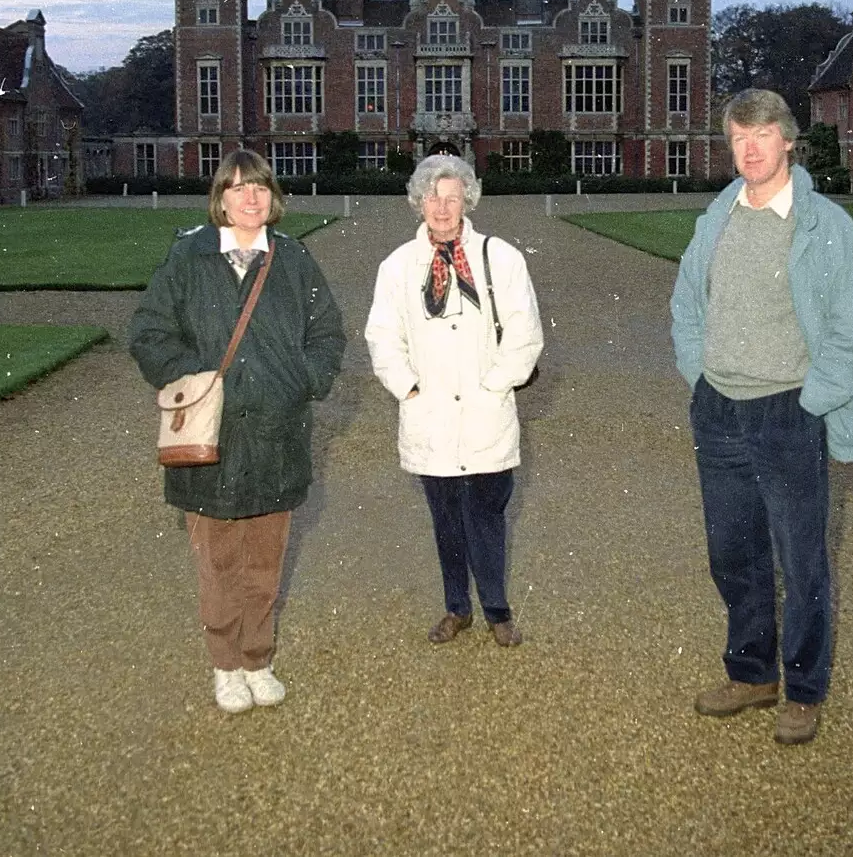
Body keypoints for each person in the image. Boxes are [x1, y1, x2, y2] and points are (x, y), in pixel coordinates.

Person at [670, 89, 853, 745]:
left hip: (787, 411)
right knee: (732, 554)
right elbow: (686, 301)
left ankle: (802, 688)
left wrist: (810, 396)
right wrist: (700, 374)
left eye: (762, 134)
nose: (749, 147)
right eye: (738, 135)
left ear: (788, 141)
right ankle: (751, 674)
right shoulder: (717, 217)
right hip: (719, 410)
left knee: (801, 561)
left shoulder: (826, 228)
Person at [129, 150, 345, 714]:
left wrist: (303, 380)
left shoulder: (295, 260)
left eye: (260, 188)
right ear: (220, 197)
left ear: (274, 199)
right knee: (218, 560)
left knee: (265, 560)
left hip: (277, 431)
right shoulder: (188, 256)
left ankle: (258, 659)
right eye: (238, 187)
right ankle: (225, 666)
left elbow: (328, 334)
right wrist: (191, 383)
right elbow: (149, 331)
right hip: (211, 438)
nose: (250, 198)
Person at [364, 153, 543, 647]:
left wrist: (495, 385)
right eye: (432, 197)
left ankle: (497, 609)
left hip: (487, 413)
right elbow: (382, 336)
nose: (442, 208)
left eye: (452, 196)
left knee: (487, 515)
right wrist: (408, 388)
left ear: (468, 199)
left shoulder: (501, 257)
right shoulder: (398, 265)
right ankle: (456, 607)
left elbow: (526, 334)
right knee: (444, 518)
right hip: (430, 415)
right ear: (418, 202)